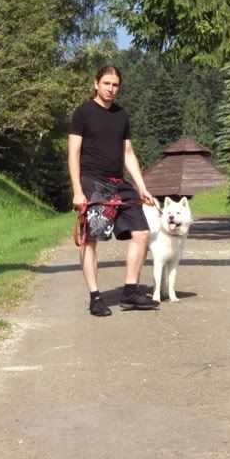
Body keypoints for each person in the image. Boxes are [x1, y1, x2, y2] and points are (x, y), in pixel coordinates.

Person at [68, 64, 159, 317]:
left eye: (115, 85)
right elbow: (73, 153)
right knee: (91, 239)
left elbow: (128, 153)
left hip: (119, 183)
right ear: (96, 84)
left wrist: (142, 187)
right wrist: (77, 190)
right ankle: (95, 297)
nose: (110, 88)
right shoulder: (83, 113)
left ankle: (130, 292)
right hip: (93, 182)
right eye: (106, 83)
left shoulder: (122, 115)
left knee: (142, 232)